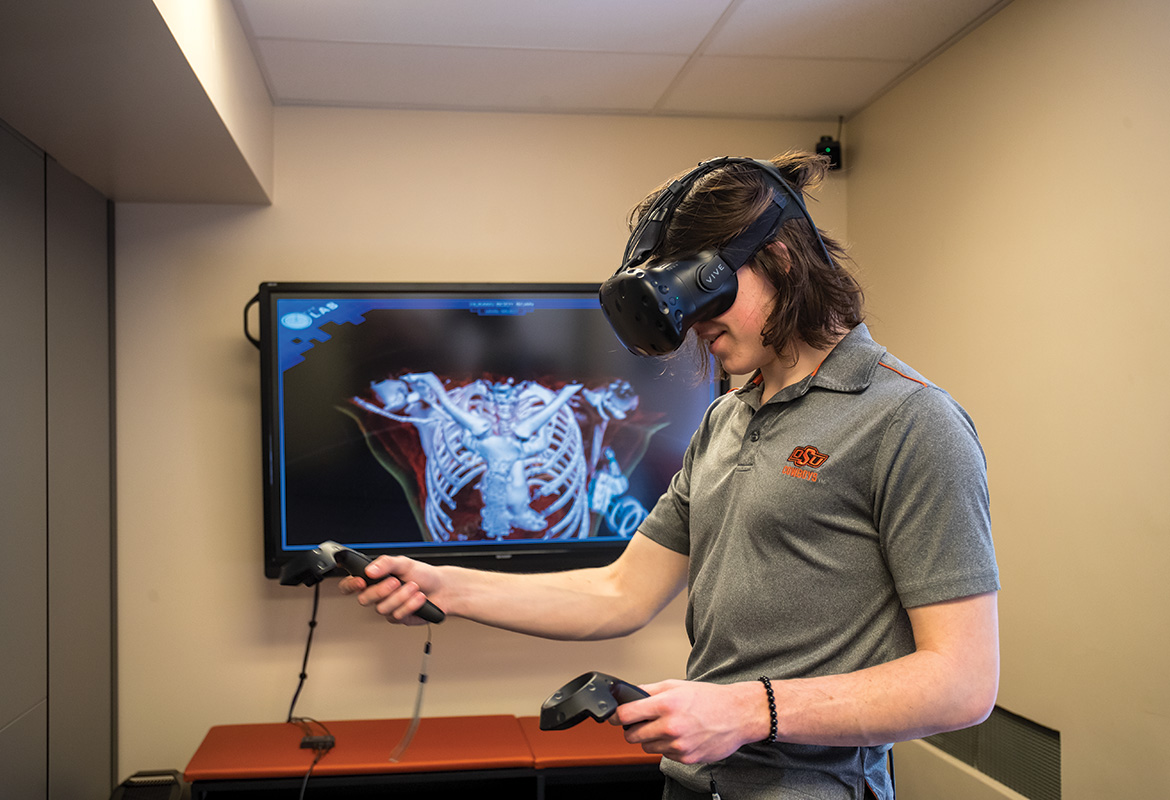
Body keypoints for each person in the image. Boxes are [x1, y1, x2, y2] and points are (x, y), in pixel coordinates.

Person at [340, 151, 1000, 800]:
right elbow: (620, 591)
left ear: (781, 260)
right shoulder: (725, 422)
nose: (690, 323)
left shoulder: (911, 419)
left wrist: (745, 711)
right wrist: (446, 587)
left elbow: (962, 682)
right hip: (696, 784)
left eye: (704, 291)